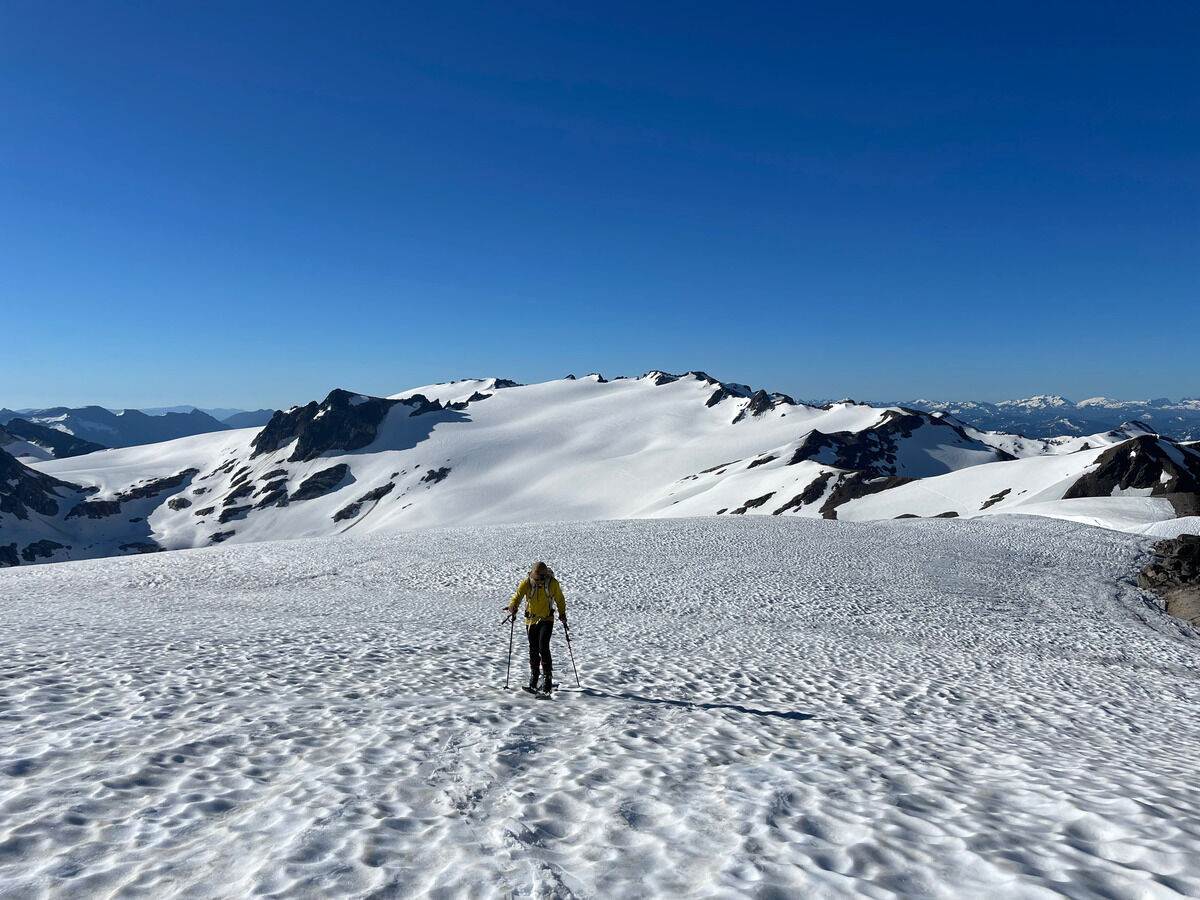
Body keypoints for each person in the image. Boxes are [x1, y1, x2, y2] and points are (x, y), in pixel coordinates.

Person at [506, 561, 567, 694]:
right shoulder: (527, 583)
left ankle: (547, 679)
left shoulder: (552, 584)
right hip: (531, 620)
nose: (538, 581)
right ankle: (534, 676)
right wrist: (513, 606)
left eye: (540, 579)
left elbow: (560, 599)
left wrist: (562, 614)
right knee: (533, 649)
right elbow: (517, 597)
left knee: (543, 647)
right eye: (536, 579)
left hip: (547, 619)